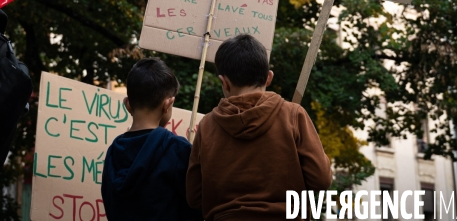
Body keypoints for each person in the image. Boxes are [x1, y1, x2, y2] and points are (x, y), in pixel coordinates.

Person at [186, 34, 333, 220]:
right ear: (269, 77)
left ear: (224, 82)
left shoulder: (207, 125)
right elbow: (321, 180)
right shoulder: (293, 114)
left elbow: (194, 196)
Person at [101, 58, 200, 221]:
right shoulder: (178, 149)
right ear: (168, 104)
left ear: (127, 104)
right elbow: (196, 206)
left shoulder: (114, 151)